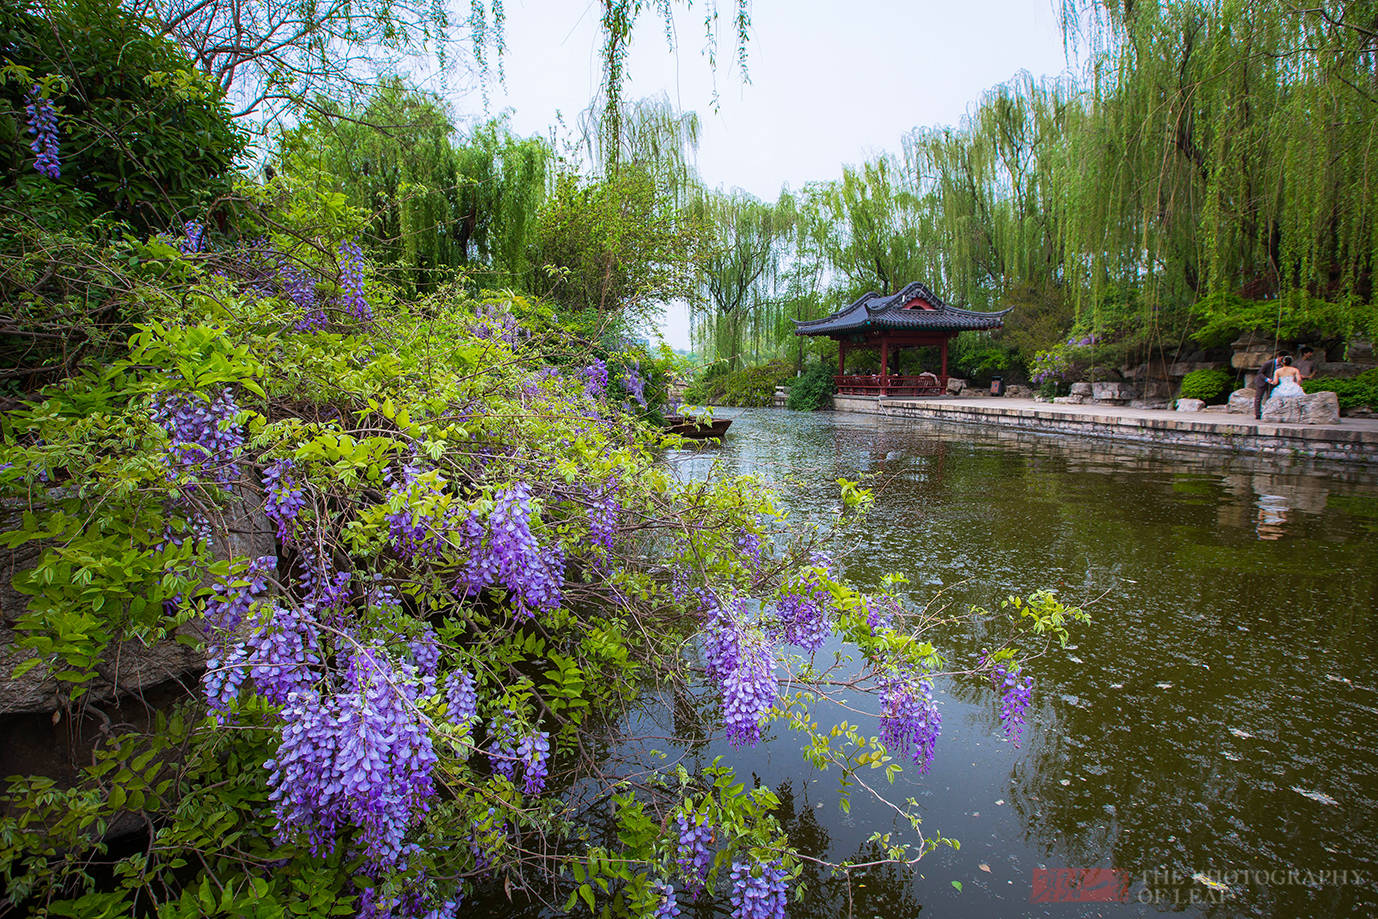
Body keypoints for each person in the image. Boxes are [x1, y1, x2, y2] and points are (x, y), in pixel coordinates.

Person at [1253, 350, 1285, 419]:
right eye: (1282, 358)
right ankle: (1257, 414)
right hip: (1262, 381)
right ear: (1278, 357)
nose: (1282, 360)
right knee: (1259, 398)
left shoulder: (1283, 365)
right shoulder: (1269, 363)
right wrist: (1267, 379)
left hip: (1272, 383)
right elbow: (1260, 373)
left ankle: (1267, 412)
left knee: (1270, 397)